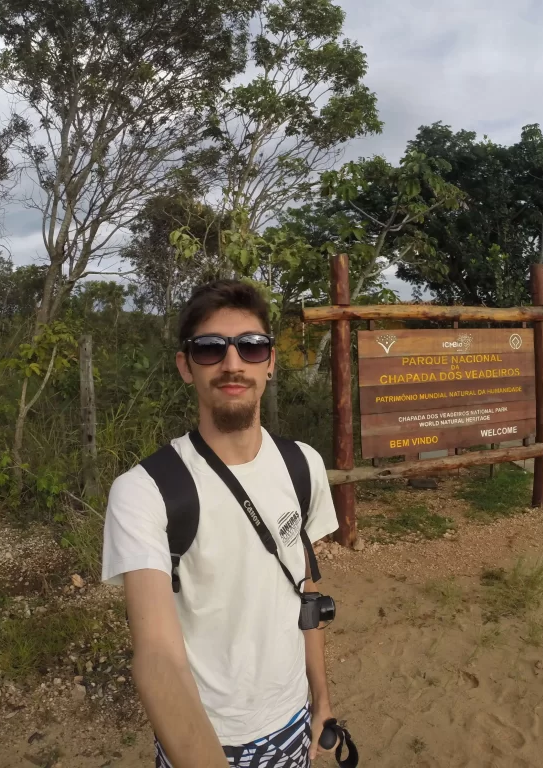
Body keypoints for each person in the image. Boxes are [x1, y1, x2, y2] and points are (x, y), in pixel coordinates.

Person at [102, 280, 341, 767]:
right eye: (210, 349)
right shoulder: (145, 491)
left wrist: (322, 701)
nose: (233, 363)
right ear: (185, 366)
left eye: (251, 346)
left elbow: (306, 588)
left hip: (295, 721)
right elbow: (157, 656)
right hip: (205, 738)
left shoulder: (304, 465)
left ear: (271, 362)